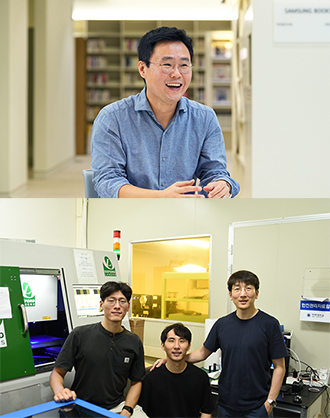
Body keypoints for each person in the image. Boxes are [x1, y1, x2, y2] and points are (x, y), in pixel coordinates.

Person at [91, 26, 240, 198]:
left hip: (184, 215)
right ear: (142, 69)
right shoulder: (112, 118)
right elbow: (107, 182)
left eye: (184, 65)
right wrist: (160, 198)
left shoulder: (205, 118)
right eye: (167, 65)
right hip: (131, 214)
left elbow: (214, 172)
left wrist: (222, 184)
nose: (177, 74)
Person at [152, 271, 288, 417]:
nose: (243, 294)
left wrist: (270, 402)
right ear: (230, 295)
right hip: (226, 406)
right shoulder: (222, 324)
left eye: (248, 288)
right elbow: (202, 353)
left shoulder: (269, 324)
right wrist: (172, 360)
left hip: (258, 407)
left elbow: (280, 366)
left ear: (257, 293)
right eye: (237, 289)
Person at [49, 281, 147, 417]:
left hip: (116, 407)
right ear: (101, 305)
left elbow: (137, 381)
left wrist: (127, 410)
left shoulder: (134, 341)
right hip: (81, 406)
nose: (117, 306)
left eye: (122, 301)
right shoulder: (80, 334)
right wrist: (59, 390)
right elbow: (57, 373)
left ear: (128, 306)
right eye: (111, 301)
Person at [139, 323, 214, 418]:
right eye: (171, 341)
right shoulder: (150, 378)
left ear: (189, 346)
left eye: (182, 341)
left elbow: (206, 412)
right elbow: (142, 412)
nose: (177, 346)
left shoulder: (200, 377)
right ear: (163, 345)